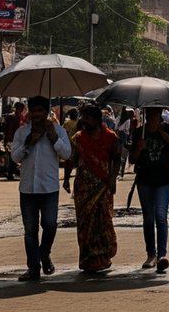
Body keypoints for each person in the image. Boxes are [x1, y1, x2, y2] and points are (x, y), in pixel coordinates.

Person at [11, 96, 71, 282]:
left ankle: (44, 254)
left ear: (46, 112)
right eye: (33, 110)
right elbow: (15, 157)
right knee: (30, 230)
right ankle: (33, 267)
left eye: (40, 111)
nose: (36, 114)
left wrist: (54, 138)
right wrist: (29, 142)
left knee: (50, 226)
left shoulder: (58, 131)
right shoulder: (22, 133)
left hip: (49, 188)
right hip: (28, 188)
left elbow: (67, 154)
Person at [64, 104, 119, 273]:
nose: (84, 121)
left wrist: (112, 178)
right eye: (83, 118)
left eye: (87, 118)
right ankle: (87, 259)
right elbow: (71, 159)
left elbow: (116, 159)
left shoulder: (111, 138)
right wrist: (66, 178)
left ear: (97, 120)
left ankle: (104, 257)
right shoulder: (79, 138)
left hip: (103, 186)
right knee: (85, 223)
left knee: (103, 221)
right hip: (83, 188)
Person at [129, 107, 169, 273]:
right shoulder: (139, 132)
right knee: (148, 218)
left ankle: (161, 255)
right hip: (144, 181)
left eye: (155, 114)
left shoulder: (167, 128)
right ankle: (150, 255)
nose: (152, 117)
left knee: (160, 216)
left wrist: (163, 134)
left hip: (163, 181)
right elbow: (132, 159)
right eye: (149, 114)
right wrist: (138, 147)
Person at [3, 101, 27, 181]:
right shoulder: (13, 117)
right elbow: (10, 129)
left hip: (15, 139)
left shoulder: (19, 117)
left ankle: (13, 171)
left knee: (13, 156)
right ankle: (10, 172)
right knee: (12, 157)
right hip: (12, 139)